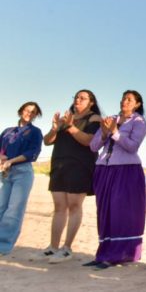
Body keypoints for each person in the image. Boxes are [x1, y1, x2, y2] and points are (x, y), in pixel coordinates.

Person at [37, 90, 102, 263]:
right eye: (76, 97)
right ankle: (53, 247)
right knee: (59, 207)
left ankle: (66, 249)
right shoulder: (66, 118)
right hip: (59, 164)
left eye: (82, 98)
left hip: (80, 166)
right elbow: (47, 141)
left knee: (74, 205)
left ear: (91, 102)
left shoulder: (94, 118)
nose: (77, 100)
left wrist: (70, 127)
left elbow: (89, 141)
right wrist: (55, 128)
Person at [85, 90, 146, 269]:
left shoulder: (139, 122)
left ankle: (118, 255)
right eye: (123, 98)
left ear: (137, 104)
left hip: (126, 170)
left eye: (129, 99)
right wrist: (104, 133)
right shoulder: (111, 118)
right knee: (104, 212)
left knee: (120, 213)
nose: (124, 101)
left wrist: (114, 132)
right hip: (103, 169)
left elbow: (132, 147)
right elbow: (93, 146)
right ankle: (103, 253)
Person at [0, 102, 44, 255]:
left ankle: (3, 246)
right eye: (27, 110)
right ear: (21, 111)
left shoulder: (35, 132)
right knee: (1, 207)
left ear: (36, 115)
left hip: (22, 173)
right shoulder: (7, 131)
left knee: (14, 210)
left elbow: (33, 152)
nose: (29, 114)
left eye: (33, 112)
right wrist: (1, 157)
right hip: (5, 173)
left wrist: (11, 161)